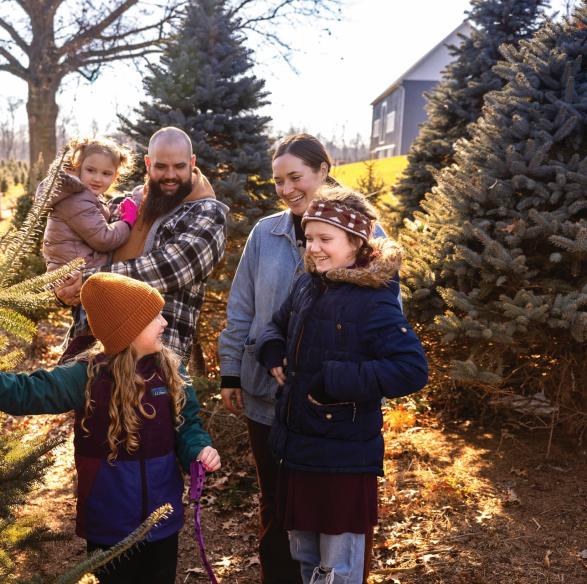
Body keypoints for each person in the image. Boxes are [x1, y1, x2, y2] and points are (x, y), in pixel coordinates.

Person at [0, 272, 221, 584]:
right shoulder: (87, 375)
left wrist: (199, 450)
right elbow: (27, 392)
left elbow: (188, 424)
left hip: (162, 519)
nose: (164, 323)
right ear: (127, 329)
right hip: (109, 520)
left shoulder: (170, 370)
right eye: (153, 317)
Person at [256, 187, 428, 584]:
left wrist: (333, 380)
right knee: (304, 556)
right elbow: (275, 327)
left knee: (338, 569)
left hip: (343, 460)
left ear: (356, 243)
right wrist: (272, 351)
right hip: (299, 451)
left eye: (325, 239)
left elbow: (411, 369)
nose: (313, 248)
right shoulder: (307, 285)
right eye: (309, 238)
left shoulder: (373, 300)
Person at [218, 133, 363, 584]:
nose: (285, 190)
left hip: (331, 407)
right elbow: (242, 306)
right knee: (276, 504)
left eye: (295, 177)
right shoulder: (266, 232)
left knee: (335, 511)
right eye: (278, 181)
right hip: (267, 395)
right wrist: (230, 371)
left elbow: (382, 324)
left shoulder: (364, 234)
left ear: (324, 171)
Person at [56, 127, 228, 362]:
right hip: (90, 350)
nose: (170, 175)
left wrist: (88, 281)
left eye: (179, 166)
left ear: (192, 162)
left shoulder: (207, 212)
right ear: (148, 163)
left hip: (155, 361)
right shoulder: (123, 205)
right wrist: (66, 285)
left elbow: (172, 267)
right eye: (160, 167)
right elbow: (82, 252)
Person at [39, 137, 139, 336]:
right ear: (78, 167)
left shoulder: (85, 196)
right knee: (90, 338)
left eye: (106, 173)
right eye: (91, 170)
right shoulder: (77, 198)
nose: (97, 178)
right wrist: (127, 221)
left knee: (89, 333)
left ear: (115, 176)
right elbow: (103, 238)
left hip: (77, 273)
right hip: (75, 277)